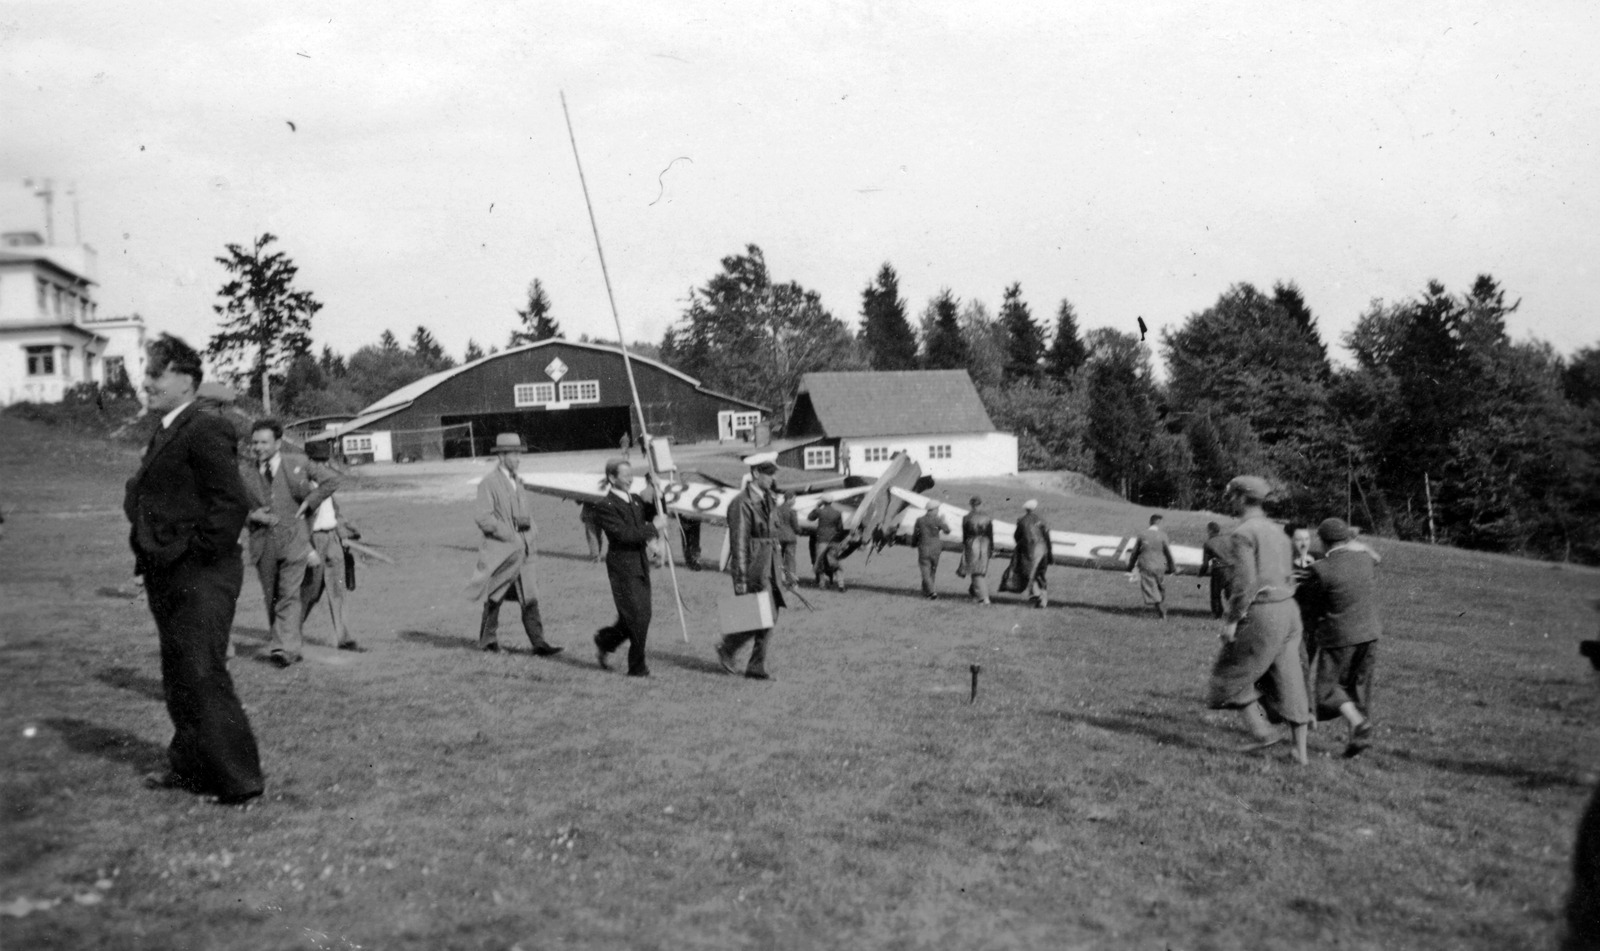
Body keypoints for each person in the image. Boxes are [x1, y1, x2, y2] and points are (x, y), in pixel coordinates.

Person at [123, 334, 263, 805]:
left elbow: (232, 501)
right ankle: (190, 769)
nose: (145, 383)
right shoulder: (166, 429)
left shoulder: (203, 427)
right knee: (179, 674)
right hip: (168, 572)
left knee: (202, 671)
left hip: (202, 573)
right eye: (147, 373)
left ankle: (240, 779)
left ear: (186, 380)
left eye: (154, 374)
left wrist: (198, 553)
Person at [1206, 475, 1312, 765]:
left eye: (1231, 496)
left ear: (1241, 498)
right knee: (1290, 678)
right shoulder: (1277, 531)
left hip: (1264, 611)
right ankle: (1300, 753)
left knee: (1230, 672)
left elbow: (1245, 584)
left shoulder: (1243, 533)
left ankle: (1262, 733)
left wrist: (1231, 620)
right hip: (1289, 610)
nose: (1229, 501)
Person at [241, 418, 342, 667]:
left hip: (295, 542)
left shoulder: (297, 463)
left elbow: (331, 480)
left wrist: (311, 501)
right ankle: (286, 644)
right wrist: (252, 516)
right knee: (271, 597)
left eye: (264, 442)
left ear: (277, 442)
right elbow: (230, 507)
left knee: (288, 595)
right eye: (254, 442)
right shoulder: (244, 472)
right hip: (263, 545)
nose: (258, 447)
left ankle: (285, 648)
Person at [467, 434, 563, 656]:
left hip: (525, 550)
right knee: (496, 596)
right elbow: (483, 517)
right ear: (501, 456)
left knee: (530, 597)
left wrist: (532, 531)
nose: (519, 458)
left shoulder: (518, 482)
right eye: (514, 454)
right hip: (503, 551)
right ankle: (488, 641)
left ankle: (539, 643)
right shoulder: (488, 484)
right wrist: (509, 534)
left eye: (520, 454)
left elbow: (525, 514)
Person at [1297, 517, 1380, 757]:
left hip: (1340, 637)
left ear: (1322, 542)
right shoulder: (1365, 560)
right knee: (1359, 688)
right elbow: (1367, 557)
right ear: (1346, 539)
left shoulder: (1320, 570)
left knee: (1326, 692)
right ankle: (1358, 740)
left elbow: (1307, 605)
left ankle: (1358, 723)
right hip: (1370, 634)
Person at [716, 452, 787, 679]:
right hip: (754, 567)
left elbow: (773, 537)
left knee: (769, 615)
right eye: (768, 474)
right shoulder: (741, 503)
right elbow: (738, 544)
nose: (772, 478)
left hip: (770, 565)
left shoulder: (769, 498)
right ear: (756, 473)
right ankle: (730, 649)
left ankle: (749, 662)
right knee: (761, 614)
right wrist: (740, 580)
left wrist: (783, 569)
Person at [592, 457, 660, 677]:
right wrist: (653, 530)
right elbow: (624, 535)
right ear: (612, 478)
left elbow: (656, 510)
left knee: (635, 616)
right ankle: (637, 667)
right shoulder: (606, 506)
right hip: (622, 567)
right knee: (639, 616)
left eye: (632, 475)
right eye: (626, 475)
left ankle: (605, 641)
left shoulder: (636, 501)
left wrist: (657, 489)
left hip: (640, 563)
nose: (631, 479)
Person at [298, 439, 361, 652]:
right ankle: (288, 632)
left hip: (331, 537)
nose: (322, 466)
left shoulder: (327, 484)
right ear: (309, 462)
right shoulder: (300, 485)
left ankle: (343, 637)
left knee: (337, 588)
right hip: (312, 539)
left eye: (324, 461)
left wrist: (344, 533)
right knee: (311, 592)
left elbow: (334, 511)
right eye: (317, 461)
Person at [1128, 513, 1177, 621]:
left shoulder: (1142, 534)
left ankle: (1162, 613)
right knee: (1159, 589)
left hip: (1146, 566)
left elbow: (1135, 553)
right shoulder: (1163, 535)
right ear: (1159, 523)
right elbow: (1168, 553)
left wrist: (1130, 566)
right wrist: (1173, 567)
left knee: (1152, 591)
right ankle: (1162, 605)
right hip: (1160, 566)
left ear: (1150, 522)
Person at [911, 500, 952, 600]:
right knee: (932, 570)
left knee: (925, 569)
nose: (938, 510)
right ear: (933, 510)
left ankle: (930, 592)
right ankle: (928, 591)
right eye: (937, 509)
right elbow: (947, 531)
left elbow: (916, 535)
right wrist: (944, 521)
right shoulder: (937, 520)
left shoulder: (920, 520)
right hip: (936, 547)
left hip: (924, 546)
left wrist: (913, 543)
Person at [1013, 499, 1051, 608]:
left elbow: (1017, 537)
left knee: (1028, 572)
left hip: (1028, 550)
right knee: (1041, 574)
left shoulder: (1021, 520)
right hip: (1043, 549)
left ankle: (1036, 593)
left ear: (1025, 509)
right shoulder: (1042, 520)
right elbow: (1047, 538)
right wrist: (1049, 554)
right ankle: (1043, 601)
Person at [960, 496, 994, 604]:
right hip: (985, 543)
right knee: (981, 570)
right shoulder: (987, 517)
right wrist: (991, 548)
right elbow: (990, 534)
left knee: (975, 571)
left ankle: (983, 597)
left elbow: (965, 535)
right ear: (981, 504)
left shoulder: (966, 517)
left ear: (971, 505)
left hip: (972, 542)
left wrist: (965, 545)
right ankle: (976, 594)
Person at [809, 499, 848, 591]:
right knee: (834, 561)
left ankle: (822, 584)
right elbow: (840, 527)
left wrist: (817, 506)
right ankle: (841, 584)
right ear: (831, 502)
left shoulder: (820, 511)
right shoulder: (837, 513)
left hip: (821, 539)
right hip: (833, 540)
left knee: (820, 562)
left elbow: (810, 517)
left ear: (823, 502)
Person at [1199, 521, 1232, 620]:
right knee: (1231, 593)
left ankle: (1217, 614)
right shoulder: (1228, 540)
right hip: (1232, 569)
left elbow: (1205, 563)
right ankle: (1238, 612)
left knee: (1215, 594)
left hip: (1219, 570)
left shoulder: (1208, 543)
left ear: (1209, 530)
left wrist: (1201, 573)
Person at [774, 491, 800, 588]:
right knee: (790, 560)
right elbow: (796, 527)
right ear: (789, 499)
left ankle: (779, 578)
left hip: (778, 537)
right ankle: (792, 581)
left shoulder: (776, 509)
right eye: (794, 499)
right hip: (790, 538)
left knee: (777, 558)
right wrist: (800, 531)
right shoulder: (792, 511)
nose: (795, 501)